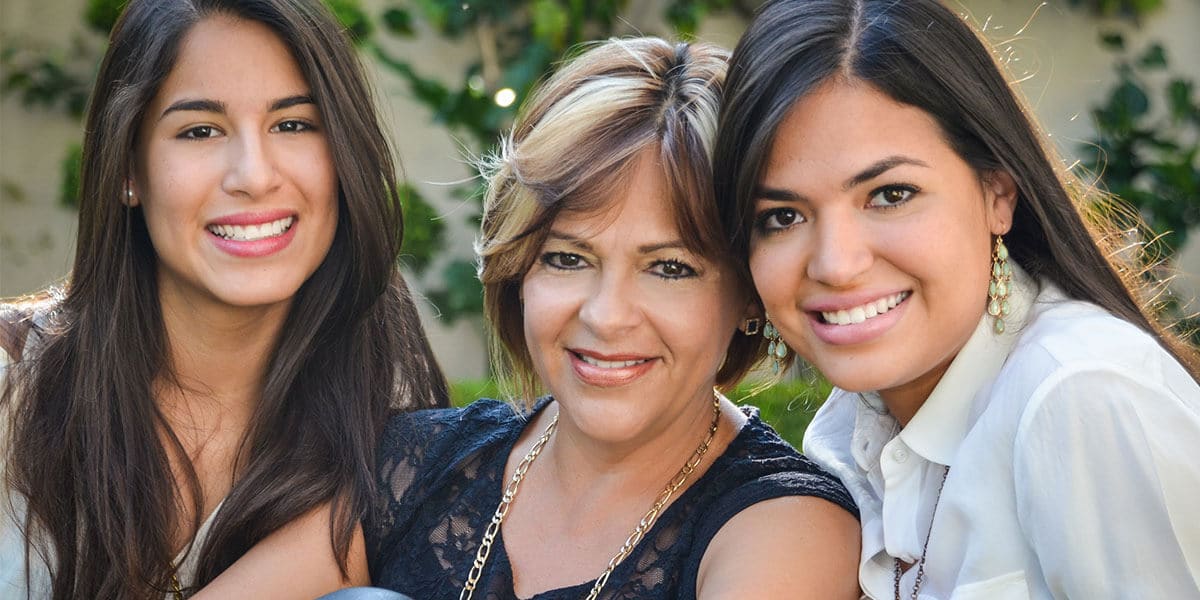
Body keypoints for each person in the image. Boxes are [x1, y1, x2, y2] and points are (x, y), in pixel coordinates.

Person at [713, 0, 1200, 598]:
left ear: (998, 192)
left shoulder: (1080, 394)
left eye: (891, 194)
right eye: (782, 216)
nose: (836, 265)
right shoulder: (847, 436)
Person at [365, 37, 861, 599]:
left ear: (750, 291)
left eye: (670, 268)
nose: (606, 316)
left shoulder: (790, 534)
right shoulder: (408, 463)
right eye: (568, 258)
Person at [0, 0, 449, 597]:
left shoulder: (384, 427)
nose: (254, 175)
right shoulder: (12, 381)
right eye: (200, 130)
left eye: (292, 124)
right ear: (129, 170)